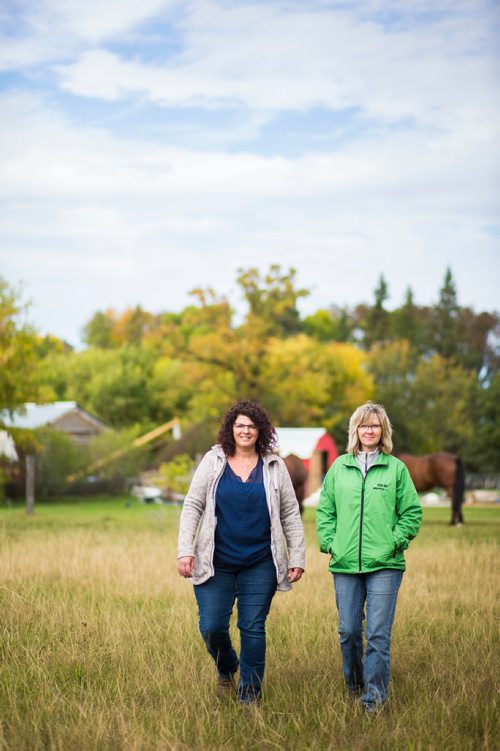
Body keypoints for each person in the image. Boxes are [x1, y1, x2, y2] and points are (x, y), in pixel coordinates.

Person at [177, 400, 305, 705]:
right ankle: (227, 667)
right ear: (231, 429)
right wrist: (185, 550)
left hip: (260, 562)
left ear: (259, 430)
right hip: (216, 562)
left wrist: (297, 557)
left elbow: (290, 512)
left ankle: (250, 694)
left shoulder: (274, 466)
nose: (245, 430)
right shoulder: (213, 460)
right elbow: (193, 505)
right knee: (212, 627)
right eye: (239, 426)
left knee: (252, 627)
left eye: (251, 425)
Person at [316, 402, 422, 713]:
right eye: (364, 425)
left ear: (383, 430)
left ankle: (373, 699)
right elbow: (325, 510)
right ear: (356, 430)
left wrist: (396, 541)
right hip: (345, 562)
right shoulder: (339, 467)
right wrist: (331, 543)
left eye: (375, 425)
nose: (369, 430)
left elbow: (412, 512)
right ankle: (354, 685)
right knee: (348, 631)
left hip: (385, 564)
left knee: (377, 633)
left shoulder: (396, 469)